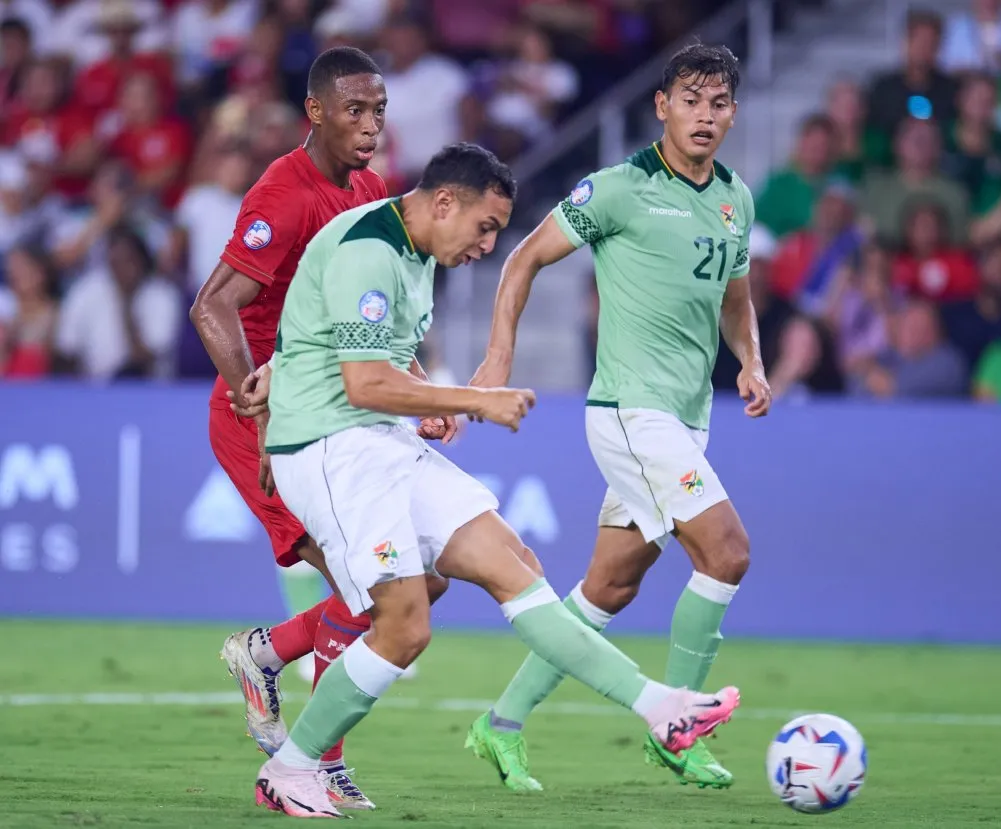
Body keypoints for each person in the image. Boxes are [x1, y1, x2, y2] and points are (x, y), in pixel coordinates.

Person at [243, 142, 740, 819]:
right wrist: (470, 400)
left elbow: (374, 359)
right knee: (405, 625)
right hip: (330, 451)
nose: (486, 245)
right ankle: (292, 767)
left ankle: (662, 706)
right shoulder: (371, 248)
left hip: (379, 443)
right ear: (444, 202)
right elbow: (363, 383)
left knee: (514, 561)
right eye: (484, 227)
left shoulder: (415, 255)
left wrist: (428, 396)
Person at [464, 43, 769, 792]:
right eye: (690, 100)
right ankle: (679, 727)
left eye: (718, 103)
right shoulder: (620, 188)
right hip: (632, 414)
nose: (704, 115)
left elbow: (735, 300)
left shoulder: (735, 198)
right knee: (726, 552)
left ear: (732, 113)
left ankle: (498, 724)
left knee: (608, 587)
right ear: (661, 105)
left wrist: (752, 361)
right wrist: (498, 356)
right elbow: (523, 258)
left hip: (686, 417)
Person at [189, 46, 398, 811]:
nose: (371, 125)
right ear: (315, 112)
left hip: (331, 409)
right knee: (362, 583)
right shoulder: (285, 194)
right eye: (355, 110)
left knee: (400, 582)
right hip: (264, 416)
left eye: (378, 110)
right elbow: (211, 306)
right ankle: (322, 763)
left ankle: (266, 652)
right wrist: (268, 417)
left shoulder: (372, 190)